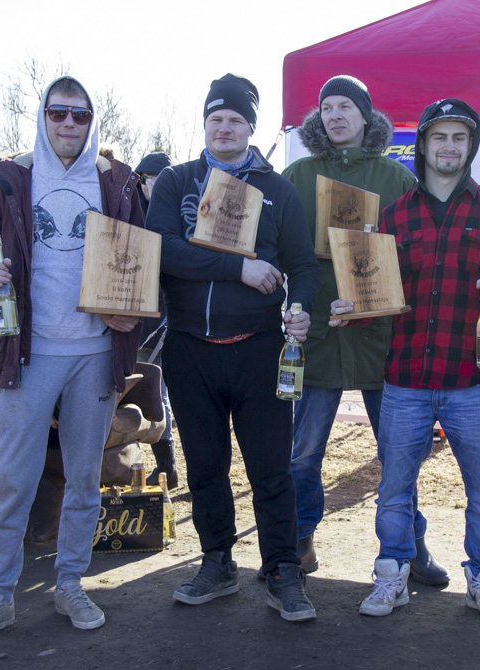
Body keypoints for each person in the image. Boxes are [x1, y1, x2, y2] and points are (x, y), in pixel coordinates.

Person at [0, 76, 143, 646]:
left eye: (79, 115)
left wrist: (133, 313)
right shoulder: (10, 180)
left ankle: (69, 583)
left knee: (85, 476)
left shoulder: (119, 183)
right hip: (27, 351)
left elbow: (140, 262)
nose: (68, 124)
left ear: (92, 121)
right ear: (42, 116)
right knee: (13, 476)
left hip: (94, 353)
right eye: (57, 113)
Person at [330, 98, 480, 620]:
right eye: (439, 137)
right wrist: (351, 307)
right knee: (394, 488)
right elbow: (376, 298)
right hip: (406, 381)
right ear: (422, 145)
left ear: (470, 147)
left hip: (474, 380)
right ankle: (390, 575)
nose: (448, 147)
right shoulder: (393, 217)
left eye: (458, 138)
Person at [147, 74, 320, 622]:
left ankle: (282, 571)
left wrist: (301, 310)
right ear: (204, 125)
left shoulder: (278, 189)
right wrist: (238, 268)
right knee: (205, 465)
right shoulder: (177, 181)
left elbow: (303, 264)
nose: (225, 128)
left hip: (261, 348)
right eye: (216, 119)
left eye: (236, 120)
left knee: (271, 468)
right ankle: (217, 562)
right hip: (189, 350)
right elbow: (164, 251)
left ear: (251, 128)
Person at [281, 75, 416, 575]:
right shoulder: (297, 175)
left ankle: (411, 546)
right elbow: (281, 248)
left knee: (397, 453)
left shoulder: (395, 178)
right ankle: (300, 540)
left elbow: (411, 255)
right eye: (327, 107)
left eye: (346, 106)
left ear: (366, 116)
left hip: (379, 339)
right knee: (304, 454)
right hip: (316, 336)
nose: (335, 115)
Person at [133, 151, 178, 489]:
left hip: (166, 315)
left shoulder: (175, 211)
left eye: (155, 179)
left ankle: (168, 467)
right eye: (145, 179)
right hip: (138, 315)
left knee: (155, 388)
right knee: (141, 390)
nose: (149, 186)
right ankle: (157, 466)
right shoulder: (134, 211)